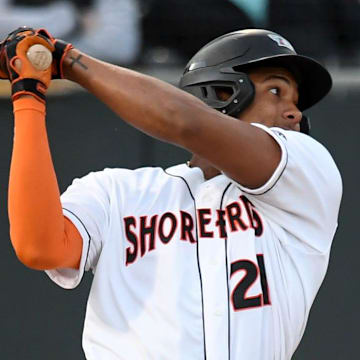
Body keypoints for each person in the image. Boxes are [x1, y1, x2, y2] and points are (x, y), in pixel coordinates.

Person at [3, 26, 342, 359]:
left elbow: (185, 122)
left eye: (297, 102)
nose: (295, 113)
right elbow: (38, 247)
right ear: (221, 92)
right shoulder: (116, 192)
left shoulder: (307, 176)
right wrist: (28, 98)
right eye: (275, 91)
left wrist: (68, 61)